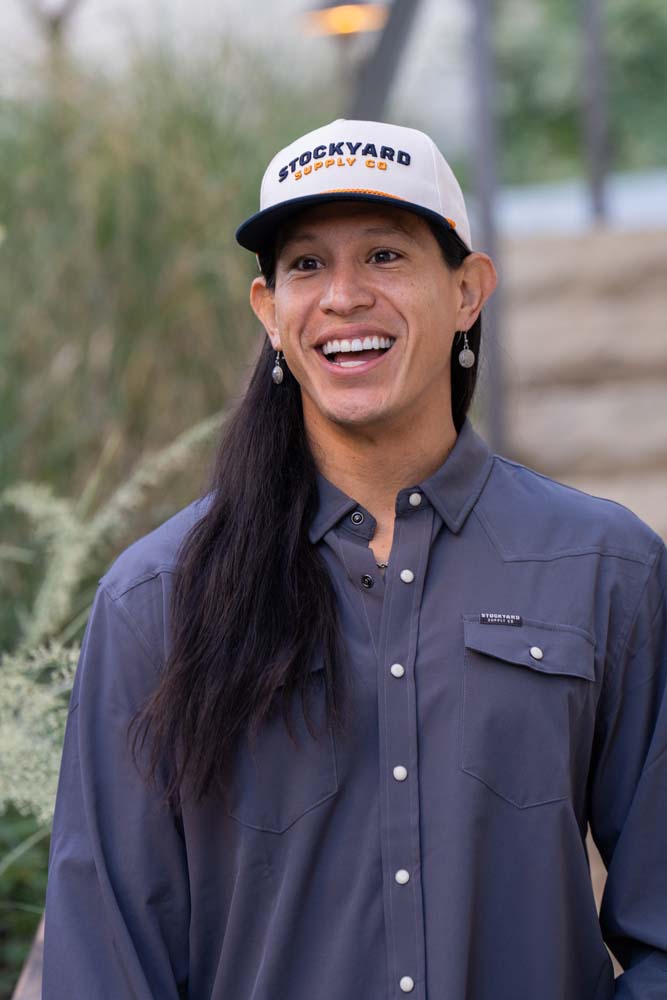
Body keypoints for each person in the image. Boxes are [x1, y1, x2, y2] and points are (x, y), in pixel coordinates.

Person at [42, 119, 667, 999]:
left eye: (383, 255)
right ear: (268, 310)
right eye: (306, 265)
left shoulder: (606, 569)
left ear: (467, 291)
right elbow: (106, 955)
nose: (342, 297)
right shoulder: (157, 598)